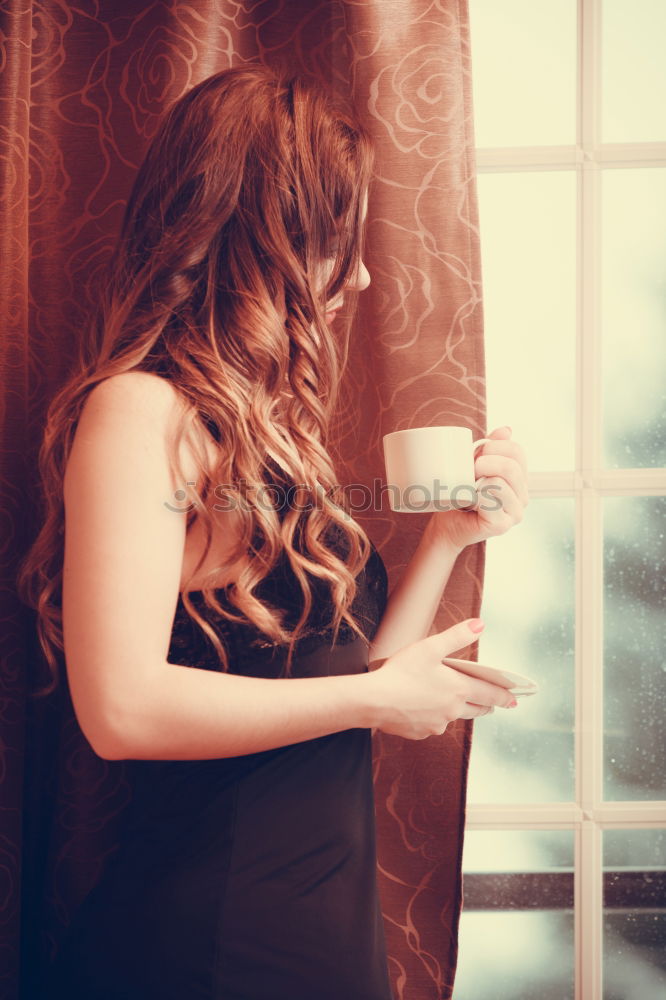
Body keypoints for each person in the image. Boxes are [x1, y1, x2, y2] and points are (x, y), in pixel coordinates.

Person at [18, 61, 528, 1000]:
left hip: (323, 939)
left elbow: (346, 684)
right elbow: (120, 709)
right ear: (267, 236)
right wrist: (375, 704)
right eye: (343, 238)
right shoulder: (139, 410)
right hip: (208, 946)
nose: (367, 272)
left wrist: (450, 539)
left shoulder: (270, 427)